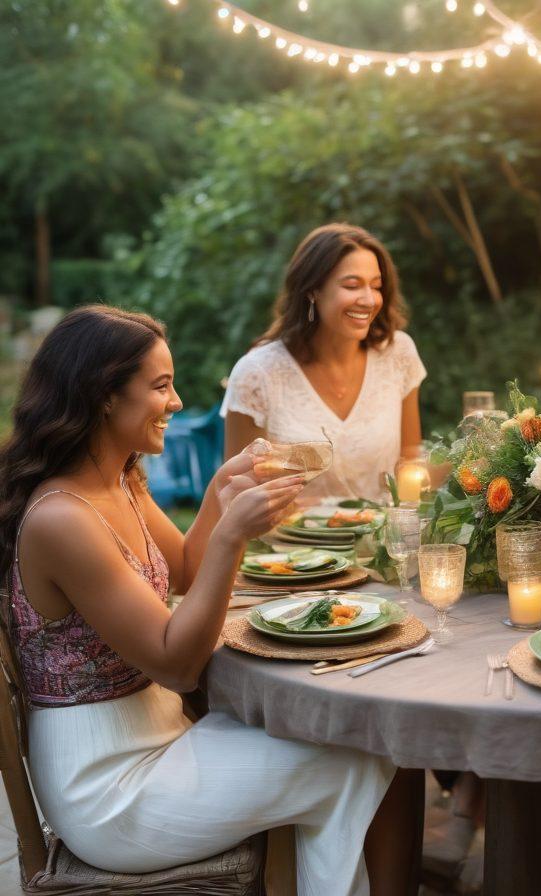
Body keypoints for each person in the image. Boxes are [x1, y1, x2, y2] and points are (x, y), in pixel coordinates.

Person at [0, 306, 420, 896]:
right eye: (162, 386)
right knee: (363, 761)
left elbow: (186, 572)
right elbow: (177, 665)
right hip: (109, 789)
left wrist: (222, 488)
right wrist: (231, 534)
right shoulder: (62, 518)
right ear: (104, 397)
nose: (177, 402)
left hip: (160, 739)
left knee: (365, 745)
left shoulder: (116, 479)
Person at [223, 222, 425, 499]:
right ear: (312, 290)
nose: (368, 300)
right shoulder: (256, 373)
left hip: (386, 539)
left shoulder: (398, 352)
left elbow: (410, 457)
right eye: (352, 285)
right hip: (288, 542)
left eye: (376, 286)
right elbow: (236, 487)